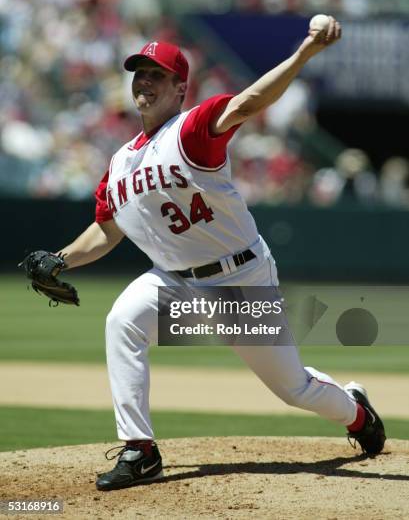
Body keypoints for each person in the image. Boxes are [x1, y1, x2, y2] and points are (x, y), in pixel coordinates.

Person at [57, 24, 386, 491]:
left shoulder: (191, 128)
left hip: (238, 278)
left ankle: (356, 412)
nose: (144, 81)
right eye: (138, 73)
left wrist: (306, 51)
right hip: (171, 280)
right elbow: (106, 231)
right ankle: (140, 450)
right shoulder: (119, 163)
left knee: (293, 389)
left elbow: (247, 102)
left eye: (157, 74)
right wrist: (59, 259)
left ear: (180, 88)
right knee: (122, 321)